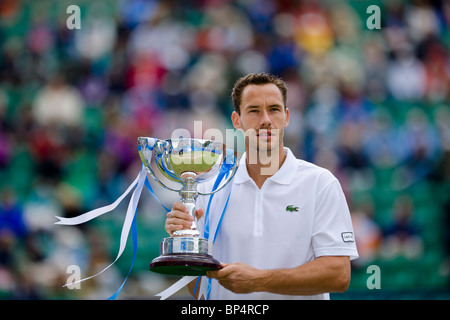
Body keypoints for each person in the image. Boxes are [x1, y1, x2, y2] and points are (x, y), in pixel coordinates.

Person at [165, 72, 358, 299]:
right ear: (237, 121)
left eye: (274, 109)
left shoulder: (320, 183)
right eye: (254, 111)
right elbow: (199, 289)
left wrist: (260, 280)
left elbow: (339, 275)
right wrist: (184, 241)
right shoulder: (208, 187)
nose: (266, 119)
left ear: (286, 117)